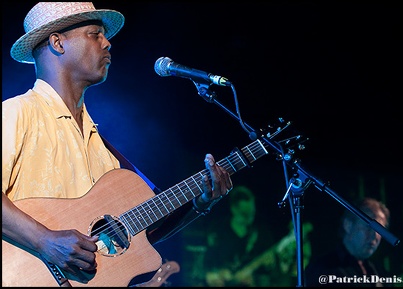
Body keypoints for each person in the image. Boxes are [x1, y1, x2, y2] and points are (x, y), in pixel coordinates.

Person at [2, 2, 232, 287]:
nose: (107, 42)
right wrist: (45, 241)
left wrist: (199, 203)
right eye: (94, 33)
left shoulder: (101, 147)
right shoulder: (15, 113)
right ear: (58, 43)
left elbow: (138, 238)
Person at [202, 185, 306, 287]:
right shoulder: (218, 230)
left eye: (252, 214)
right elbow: (207, 260)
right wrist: (213, 274)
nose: (249, 218)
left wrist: (259, 273)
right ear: (233, 209)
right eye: (245, 214)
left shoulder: (262, 233)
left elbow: (270, 266)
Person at [305, 197, 391, 287]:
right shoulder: (322, 269)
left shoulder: (380, 272)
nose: (375, 236)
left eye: (380, 231)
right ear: (348, 225)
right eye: (368, 227)